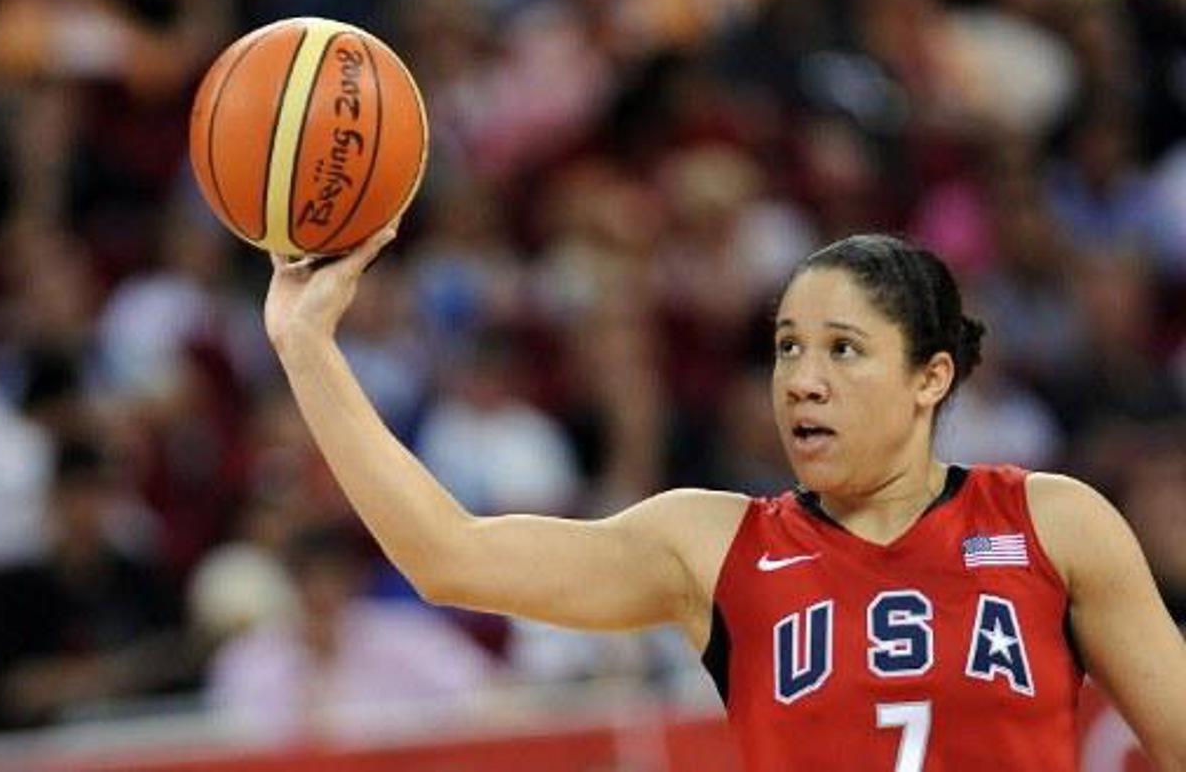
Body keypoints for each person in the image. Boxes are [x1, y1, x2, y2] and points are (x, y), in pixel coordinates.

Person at [264, 230, 1186, 771]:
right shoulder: (710, 546)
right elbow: (449, 556)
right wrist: (306, 345)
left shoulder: (1051, 523)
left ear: (930, 377)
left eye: (843, 349)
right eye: (787, 348)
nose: (802, 381)